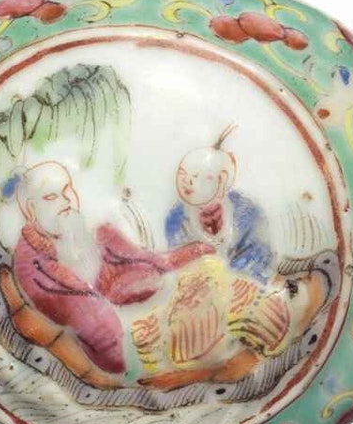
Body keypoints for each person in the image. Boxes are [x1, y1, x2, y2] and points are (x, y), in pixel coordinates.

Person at [12, 161, 212, 375]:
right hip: (119, 341)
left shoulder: (85, 229)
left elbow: (143, 259)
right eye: (51, 197)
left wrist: (190, 254)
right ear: (30, 210)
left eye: (68, 190)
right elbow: (94, 324)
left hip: (135, 318)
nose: (67, 201)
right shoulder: (33, 263)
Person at [165, 126, 273, 283]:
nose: (187, 182)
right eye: (182, 175)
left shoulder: (248, 213)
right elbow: (176, 267)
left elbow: (261, 260)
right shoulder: (175, 220)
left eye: (197, 176)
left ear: (222, 180)